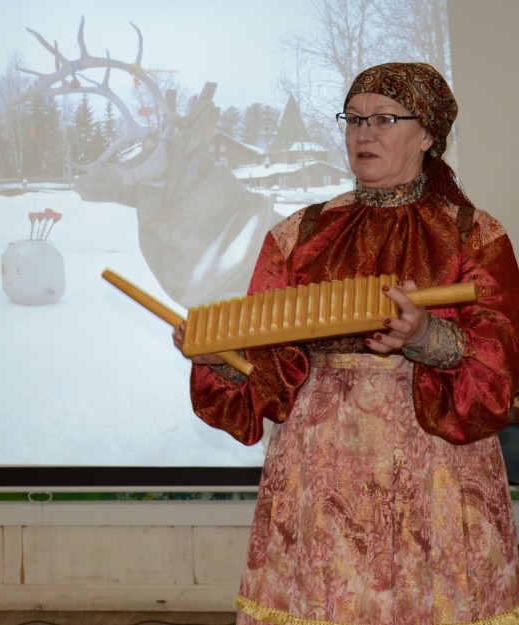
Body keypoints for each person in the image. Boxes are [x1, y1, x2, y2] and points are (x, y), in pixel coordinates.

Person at [173, 63, 519, 624]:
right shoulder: (300, 233)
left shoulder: (473, 233)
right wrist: (224, 360)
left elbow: (499, 359)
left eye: (385, 118)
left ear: (428, 133)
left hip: (433, 464)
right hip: (321, 468)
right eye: (354, 119)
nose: (364, 133)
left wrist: (427, 337)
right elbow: (268, 368)